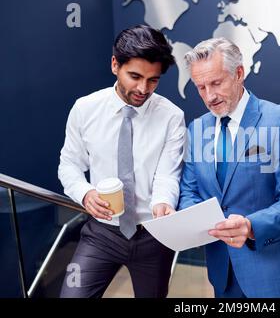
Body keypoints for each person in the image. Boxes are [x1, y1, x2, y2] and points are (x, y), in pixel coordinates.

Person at [58, 25, 185, 298]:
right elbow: (69, 164)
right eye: (135, 76)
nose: (143, 89)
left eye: (153, 80)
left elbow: (167, 174)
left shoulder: (172, 116)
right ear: (115, 65)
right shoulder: (85, 109)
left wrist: (164, 202)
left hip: (154, 235)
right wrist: (85, 193)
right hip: (102, 234)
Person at [179, 37, 280, 298]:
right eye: (201, 87)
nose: (209, 96)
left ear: (239, 73)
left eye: (216, 83)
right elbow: (189, 192)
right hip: (221, 270)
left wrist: (251, 226)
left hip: (268, 269)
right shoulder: (197, 128)